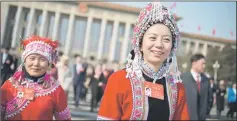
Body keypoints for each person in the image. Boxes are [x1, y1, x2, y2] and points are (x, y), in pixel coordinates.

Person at [97, 2, 189, 120]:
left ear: (172, 46)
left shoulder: (177, 88)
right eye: (152, 38)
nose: (159, 45)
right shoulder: (119, 80)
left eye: (166, 39)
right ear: (140, 43)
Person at [0, 36, 71, 120]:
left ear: (49, 64)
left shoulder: (56, 90)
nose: (36, 63)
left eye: (42, 59)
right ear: (24, 61)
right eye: (32, 58)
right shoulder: (9, 85)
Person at [181, 54, 212, 120]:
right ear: (194, 63)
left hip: (201, 117)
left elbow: (210, 99)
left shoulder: (206, 80)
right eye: (202, 64)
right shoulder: (183, 78)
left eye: (205, 64)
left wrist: (206, 111)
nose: (204, 66)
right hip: (185, 117)